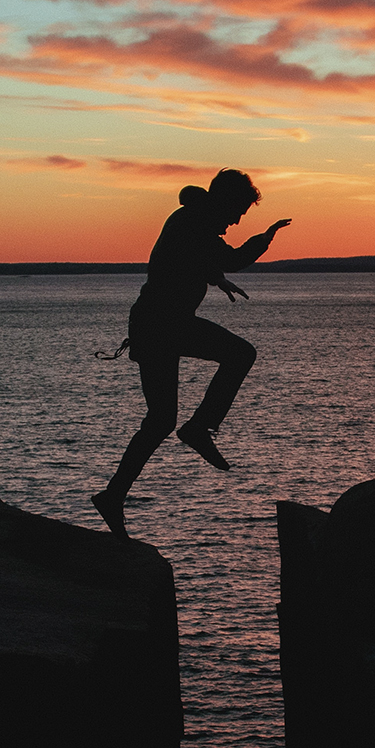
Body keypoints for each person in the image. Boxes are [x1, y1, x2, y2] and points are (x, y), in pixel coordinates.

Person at [92, 169, 290, 536]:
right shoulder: (197, 221)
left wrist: (216, 278)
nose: (236, 220)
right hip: (164, 325)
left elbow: (191, 258)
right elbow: (229, 257)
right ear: (225, 200)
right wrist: (265, 239)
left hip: (155, 325)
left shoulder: (193, 220)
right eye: (238, 211)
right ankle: (200, 427)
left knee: (161, 420)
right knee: (240, 354)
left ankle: (113, 495)